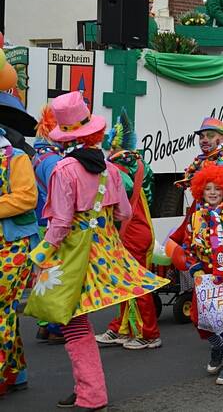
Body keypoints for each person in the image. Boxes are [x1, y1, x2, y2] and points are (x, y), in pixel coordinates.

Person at [25, 92, 168, 410]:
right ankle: (86, 388)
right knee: (77, 322)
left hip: (73, 258)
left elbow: (60, 224)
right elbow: (125, 215)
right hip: (105, 256)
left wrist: (36, 258)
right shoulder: (111, 170)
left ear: (63, 137)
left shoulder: (64, 170)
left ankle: (91, 394)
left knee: (73, 323)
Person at [95, 109, 162, 350]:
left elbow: (115, 199)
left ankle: (150, 334)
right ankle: (122, 328)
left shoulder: (117, 167)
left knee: (136, 283)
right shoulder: (140, 164)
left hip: (131, 232)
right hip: (140, 230)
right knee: (126, 282)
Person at [182, 164, 223, 385]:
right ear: (201, 190)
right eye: (208, 188)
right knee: (199, 321)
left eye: (217, 188)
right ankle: (217, 347)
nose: (212, 192)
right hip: (203, 277)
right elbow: (187, 247)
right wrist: (195, 269)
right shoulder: (195, 218)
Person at [0, 127, 38, 397]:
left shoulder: (16, 157)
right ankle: (15, 372)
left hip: (12, 245)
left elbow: (27, 197)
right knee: (6, 311)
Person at [171, 117, 223, 246]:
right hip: (201, 226)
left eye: (210, 136)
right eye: (201, 137)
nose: (205, 140)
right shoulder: (200, 162)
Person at [31, 105, 65, 345]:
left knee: (45, 273)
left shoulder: (37, 155)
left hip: (40, 221)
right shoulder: (53, 160)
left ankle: (44, 324)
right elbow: (60, 195)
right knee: (55, 273)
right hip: (51, 222)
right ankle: (53, 325)